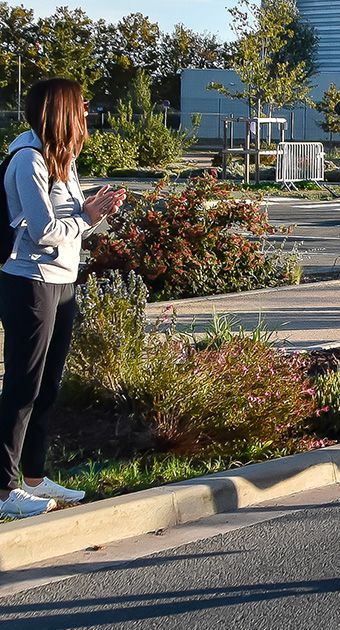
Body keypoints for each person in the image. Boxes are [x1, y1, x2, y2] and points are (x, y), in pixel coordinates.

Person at [0, 78, 125, 518]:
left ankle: (33, 476)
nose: (88, 114)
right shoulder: (28, 161)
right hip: (29, 282)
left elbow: (70, 227)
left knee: (48, 386)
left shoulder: (64, 163)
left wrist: (96, 214)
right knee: (23, 385)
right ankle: (4, 488)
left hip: (61, 280)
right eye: (82, 107)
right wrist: (85, 216)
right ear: (62, 112)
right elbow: (44, 231)